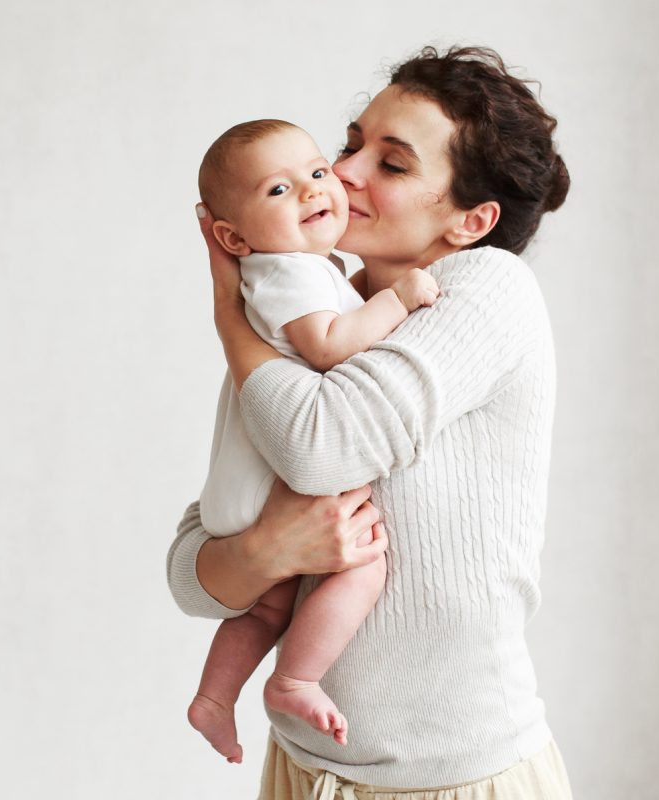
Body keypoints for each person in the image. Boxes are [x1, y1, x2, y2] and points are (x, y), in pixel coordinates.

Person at [167, 45, 574, 799]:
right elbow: (194, 572)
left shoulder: (488, 289)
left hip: (452, 777)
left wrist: (230, 320)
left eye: (391, 163)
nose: (343, 170)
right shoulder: (324, 311)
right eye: (351, 144)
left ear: (471, 220)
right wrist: (262, 550)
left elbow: (320, 450)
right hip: (306, 766)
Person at [189, 119, 443, 764]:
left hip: (247, 495)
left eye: (316, 172)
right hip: (274, 487)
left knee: (266, 608)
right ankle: (296, 678)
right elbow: (329, 348)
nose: (312, 189)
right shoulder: (291, 272)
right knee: (367, 565)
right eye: (279, 189)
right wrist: (401, 299)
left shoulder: (300, 271)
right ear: (232, 238)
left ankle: (215, 697)